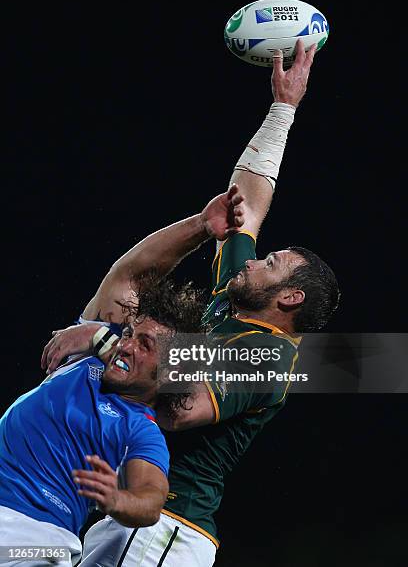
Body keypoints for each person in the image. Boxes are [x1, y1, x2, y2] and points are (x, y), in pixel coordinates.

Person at [42, 40, 340, 566]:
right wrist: (282, 110)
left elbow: (182, 410)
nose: (253, 260)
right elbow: (243, 203)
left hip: (167, 530)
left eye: (269, 262)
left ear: (289, 299)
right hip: (132, 521)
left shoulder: (272, 356)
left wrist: (102, 340)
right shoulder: (234, 301)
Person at [0, 189, 246, 567]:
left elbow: (150, 499)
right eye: (129, 333)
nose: (125, 345)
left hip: (36, 541)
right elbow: (130, 275)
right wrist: (200, 225)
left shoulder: (139, 429)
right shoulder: (87, 357)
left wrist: (118, 501)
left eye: (144, 344)